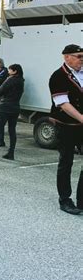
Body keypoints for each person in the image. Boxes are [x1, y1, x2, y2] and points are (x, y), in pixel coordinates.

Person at [48, 44, 83, 215]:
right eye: (79, 56)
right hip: (67, 126)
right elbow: (64, 104)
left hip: (81, 126)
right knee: (66, 162)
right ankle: (65, 200)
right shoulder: (58, 76)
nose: (81, 60)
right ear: (66, 57)